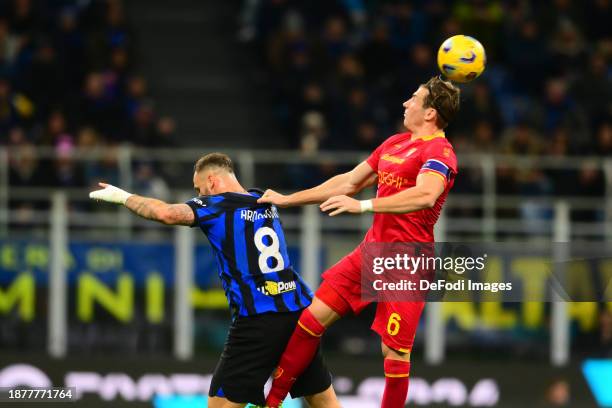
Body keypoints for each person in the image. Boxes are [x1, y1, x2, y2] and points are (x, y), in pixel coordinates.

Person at [259, 76, 461, 408]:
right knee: (311, 319)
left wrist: (364, 205)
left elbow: (426, 194)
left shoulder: (440, 151)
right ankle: (271, 403)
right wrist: (287, 200)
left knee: (394, 353)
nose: (405, 103)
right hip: (371, 251)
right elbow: (349, 182)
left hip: (406, 262)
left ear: (430, 113)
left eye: (413, 98)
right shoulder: (395, 143)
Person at [89, 153, 340, 408]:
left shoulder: (217, 205)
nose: (200, 195)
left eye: (199, 189)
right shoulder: (263, 200)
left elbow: (165, 213)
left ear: (211, 181)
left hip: (257, 320)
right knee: (323, 400)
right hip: (296, 312)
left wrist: (124, 197)